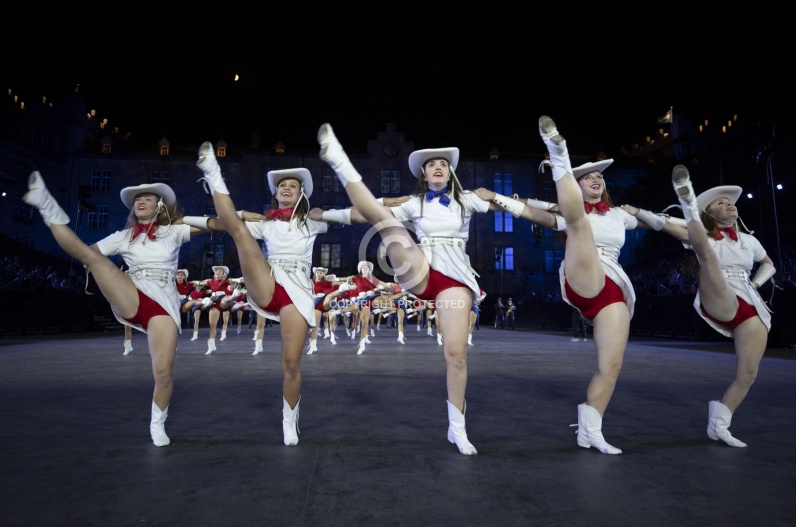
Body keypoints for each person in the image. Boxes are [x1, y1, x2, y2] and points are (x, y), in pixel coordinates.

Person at [315, 123, 529, 455]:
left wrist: (519, 202)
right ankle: (340, 161)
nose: (437, 167)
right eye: (431, 165)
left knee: (456, 355)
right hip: (420, 267)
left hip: (455, 279)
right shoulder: (415, 204)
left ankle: (456, 429)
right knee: (385, 222)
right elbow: (363, 213)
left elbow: (512, 208)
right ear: (424, 174)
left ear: (450, 171)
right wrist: (327, 215)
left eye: (442, 163)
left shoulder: (467, 201)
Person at [496, 116, 676, 454]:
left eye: (598, 177)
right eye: (587, 177)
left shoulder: (619, 215)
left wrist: (640, 210)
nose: (595, 179)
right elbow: (535, 213)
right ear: (574, 187)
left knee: (611, 367)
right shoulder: (571, 213)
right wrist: (500, 198)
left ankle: (591, 429)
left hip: (614, 288)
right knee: (577, 223)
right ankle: (557, 151)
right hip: (582, 275)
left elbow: (657, 225)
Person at [23, 172, 213, 447]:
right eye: (138, 199)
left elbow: (213, 225)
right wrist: (108, 273)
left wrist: (178, 219)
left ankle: (157, 423)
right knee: (92, 258)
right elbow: (84, 252)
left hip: (163, 302)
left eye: (148, 198)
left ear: (159, 205)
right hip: (132, 292)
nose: (141, 202)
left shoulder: (173, 231)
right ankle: (46, 205)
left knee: (163, 372)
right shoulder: (123, 237)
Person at [195, 143, 328, 447]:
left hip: (298, 289)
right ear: (276, 192)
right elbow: (228, 223)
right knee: (240, 232)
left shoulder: (313, 221)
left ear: (301, 193)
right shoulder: (265, 223)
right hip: (269, 279)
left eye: (292, 185)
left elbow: (347, 215)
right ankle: (214, 174)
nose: (286, 188)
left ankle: (289, 418)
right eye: (282, 185)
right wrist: (236, 215)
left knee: (291, 364)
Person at [659, 164, 776, 447]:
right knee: (707, 253)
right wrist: (643, 215)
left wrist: (757, 285)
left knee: (748, 374)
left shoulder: (749, 240)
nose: (729, 205)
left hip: (750, 303)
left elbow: (768, 264)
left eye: (731, 202)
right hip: (718, 293)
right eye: (721, 203)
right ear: (710, 213)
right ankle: (687, 202)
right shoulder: (705, 237)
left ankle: (720, 424)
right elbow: (673, 229)